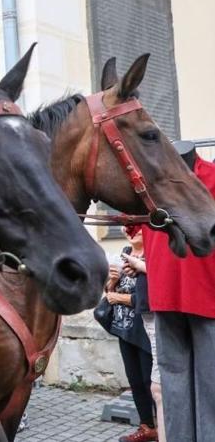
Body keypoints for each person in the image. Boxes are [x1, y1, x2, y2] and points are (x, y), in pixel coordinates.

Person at [142, 144, 215, 441]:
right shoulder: (148, 184)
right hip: (165, 294)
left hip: (207, 296)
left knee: (210, 387)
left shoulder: (211, 177)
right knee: (173, 387)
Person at [102, 227, 157, 442]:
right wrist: (112, 282)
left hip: (144, 328)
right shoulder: (124, 252)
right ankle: (147, 427)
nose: (129, 231)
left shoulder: (149, 258)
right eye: (126, 228)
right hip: (123, 327)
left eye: (135, 228)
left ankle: (162, 424)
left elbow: (150, 297)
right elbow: (109, 293)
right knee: (134, 379)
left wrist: (120, 298)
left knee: (148, 380)